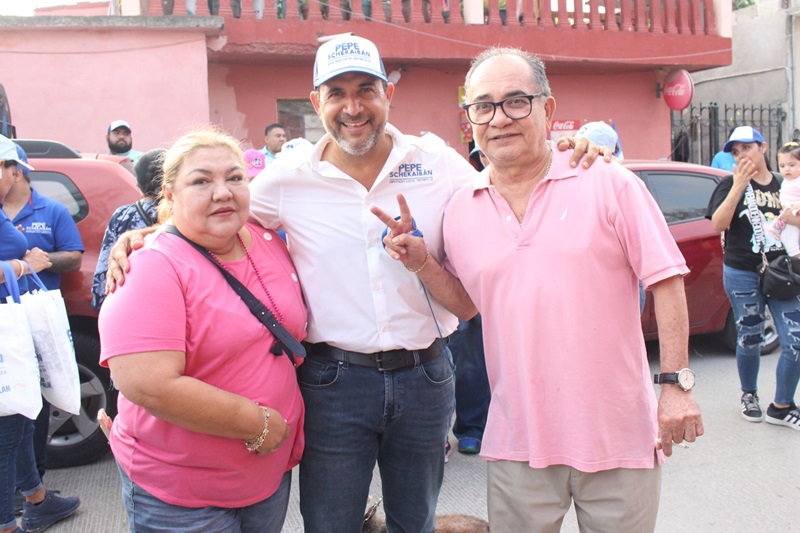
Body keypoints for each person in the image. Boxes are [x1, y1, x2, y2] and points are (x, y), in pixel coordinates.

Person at [104, 36, 608, 533]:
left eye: (366, 89)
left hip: (426, 375)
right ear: (316, 102)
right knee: (331, 523)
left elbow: (511, 180)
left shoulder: (436, 162)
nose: (353, 107)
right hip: (333, 382)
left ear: (388, 93)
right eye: (337, 93)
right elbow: (219, 212)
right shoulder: (287, 177)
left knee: (416, 521)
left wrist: (568, 153)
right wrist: (153, 233)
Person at [374, 47, 704, 531]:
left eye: (516, 101)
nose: (499, 118)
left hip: (618, 438)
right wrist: (422, 262)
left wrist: (676, 386)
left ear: (547, 109)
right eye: (483, 106)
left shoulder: (608, 182)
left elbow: (667, 281)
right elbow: (468, 305)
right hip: (517, 440)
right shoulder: (462, 207)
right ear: (470, 119)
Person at [97, 129, 307, 532]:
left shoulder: (265, 240)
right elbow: (147, 384)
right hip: (182, 493)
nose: (222, 192)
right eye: (201, 181)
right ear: (169, 194)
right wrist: (258, 423)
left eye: (234, 178)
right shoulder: (151, 267)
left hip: (266, 477)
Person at [0, 134, 80, 533]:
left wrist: (36, 262)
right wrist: (22, 266)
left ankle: (36, 497)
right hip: (8, 327)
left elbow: (74, 255)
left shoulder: (51, 209)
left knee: (23, 415)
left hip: (24, 321)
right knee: (10, 425)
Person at [707, 126, 800, 431]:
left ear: (763, 147)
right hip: (743, 271)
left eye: (746, 148)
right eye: (735, 152)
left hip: (782, 273)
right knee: (749, 336)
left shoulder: (784, 182)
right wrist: (738, 186)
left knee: (796, 339)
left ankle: (782, 406)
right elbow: (718, 223)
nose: (741, 155)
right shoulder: (728, 183)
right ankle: (749, 394)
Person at [91, 149, 164, 310]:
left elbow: (104, 269)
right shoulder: (185, 215)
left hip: (130, 302)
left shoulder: (123, 215)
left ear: (138, 182)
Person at [768, 142, 800, 256]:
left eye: (792, 165)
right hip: (787, 212)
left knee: (790, 236)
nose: (787, 169)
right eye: (782, 166)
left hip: (795, 211)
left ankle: (795, 255)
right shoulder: (785, 181)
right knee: (787, 236)